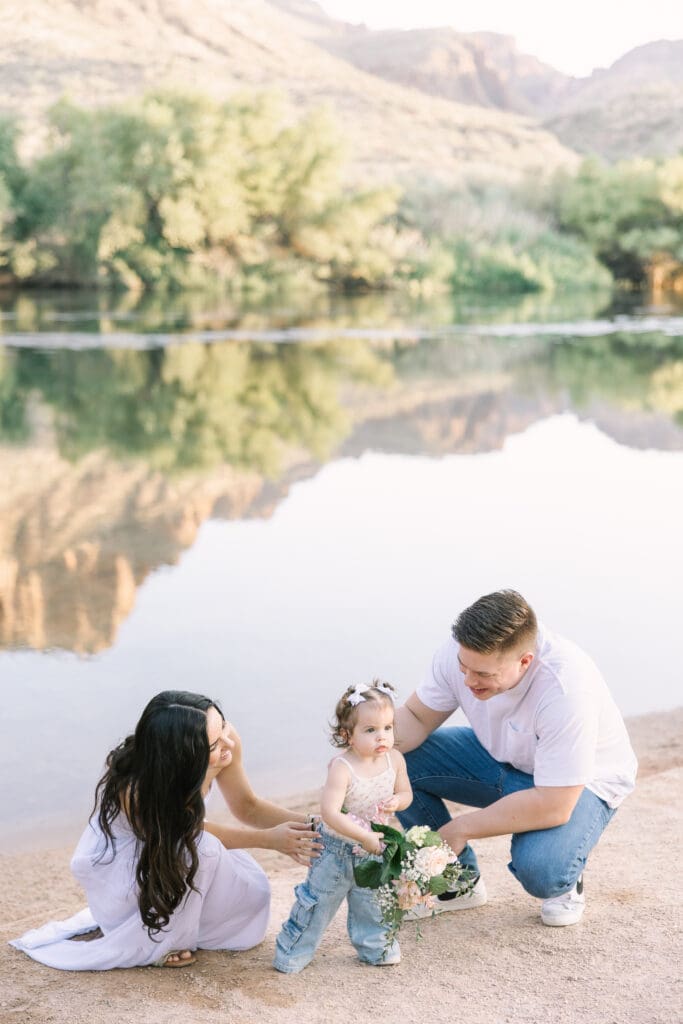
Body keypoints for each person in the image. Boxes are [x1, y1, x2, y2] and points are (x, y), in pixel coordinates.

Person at [10, 690, 322, 970]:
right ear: (182, 756)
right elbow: (186, 831)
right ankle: (163, 940)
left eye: (223, 726)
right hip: (136, 869)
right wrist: (270, 840)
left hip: (183, 855)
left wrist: (314, 824)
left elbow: (248, 806)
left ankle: (189, 927)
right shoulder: (137, 788)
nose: (229, 744)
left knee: (254, 895)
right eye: (215, 744)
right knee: (202, 848)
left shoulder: (224, 740)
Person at [394, 590, 637, 927]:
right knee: (394, 761)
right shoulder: (463, 654)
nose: (468, 680)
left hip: (577, 785)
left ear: (525, 661)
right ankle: (456, 882)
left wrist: (459, 829)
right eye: (464, 668)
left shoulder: (566, 690)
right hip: (502, 757)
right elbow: (416, 719)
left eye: (482, 675)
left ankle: (567, 879)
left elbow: (554, 804)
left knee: (542, 871)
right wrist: (362, 756)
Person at [273, 681, 413, 973]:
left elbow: (406, 794)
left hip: (374, 847)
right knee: (317, 903)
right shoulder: (342, 767)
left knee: (373, 902)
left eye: (388, 727)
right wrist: (363, 836)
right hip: (336, 849)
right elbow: (330, 813)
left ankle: (377, 948)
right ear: (346, 735)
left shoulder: (395, 760)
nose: (382, 736)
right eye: (370, 730)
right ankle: (292, 952)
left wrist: (396, 802)